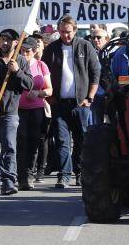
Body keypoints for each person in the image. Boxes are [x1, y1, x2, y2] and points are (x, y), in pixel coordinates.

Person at [42, 15, 100, 189]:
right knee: (62, 140)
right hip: (59, 103)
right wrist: (49, 97)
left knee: (81, 139)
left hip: (80, 103)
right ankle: (64, 175)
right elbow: (44, 73)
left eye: (68, 32)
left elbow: (95, 72)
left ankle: (80, 173)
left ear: (74, 30)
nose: (65, 35)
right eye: (62, 32)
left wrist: (89, 97)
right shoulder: (51, 49)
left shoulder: (85, 46)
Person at [0, 29, 33, 196]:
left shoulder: (20, 61)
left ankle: (8, 181)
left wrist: (16, 71)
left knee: (9, 146)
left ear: (16, 42)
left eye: (9, 40)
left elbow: (29, 84)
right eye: (3, 39)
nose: (5, 43)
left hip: (10, 110)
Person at [17, 37, 52, 190]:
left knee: (33, 142)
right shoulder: (17, 64)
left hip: (36, 109)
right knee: (21, 141)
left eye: (28, 51)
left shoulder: (40, 65)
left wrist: (38, 93)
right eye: (22, 50)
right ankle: (21, 175)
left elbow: (49, 89)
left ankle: (30, 173)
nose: (25, 53)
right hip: (19, 109)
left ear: (35, 50)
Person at [88, 25, 111, 124]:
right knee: (96, 123)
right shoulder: (90, 54)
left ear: (106, 38)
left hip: (111, 92)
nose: (96, 40)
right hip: (97, 94)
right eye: (93, 38)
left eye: (99, 37)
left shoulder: (113, 52)